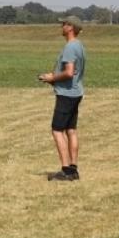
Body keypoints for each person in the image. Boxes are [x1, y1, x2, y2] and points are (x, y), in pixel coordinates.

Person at [39, 18, 86, 181]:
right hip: (76, 92)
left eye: (64, 24)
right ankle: (73, 168)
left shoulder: (70, 47)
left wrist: (52, 78)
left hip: (67, 94)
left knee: (57, 129)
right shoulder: (79, 45)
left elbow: (68, 72)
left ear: (71, 27)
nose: (62, 26)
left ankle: (66, 170)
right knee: (71, 130)